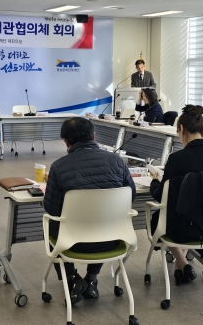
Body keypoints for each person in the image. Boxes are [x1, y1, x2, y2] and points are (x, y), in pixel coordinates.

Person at [43, 117, 136, 303]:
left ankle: (72, 278)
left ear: (65, 141)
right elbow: (130, 197)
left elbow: (52, 209)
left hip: (71, 242)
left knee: (51, 224)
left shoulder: (59, 167)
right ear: (94, 136)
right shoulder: (118, 162)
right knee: (102, 219)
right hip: (112, 238)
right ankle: (91, 280)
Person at [150, 105, 203, 285]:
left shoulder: (176, 159)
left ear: (181, 129)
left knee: (162, 217)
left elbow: (161, 197)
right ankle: (181, 266)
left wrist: (154, 182)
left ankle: (182, 264)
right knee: (186, 214)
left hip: (181, 228)